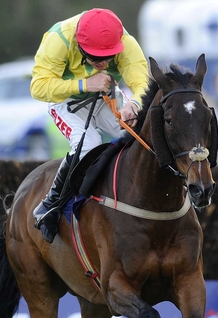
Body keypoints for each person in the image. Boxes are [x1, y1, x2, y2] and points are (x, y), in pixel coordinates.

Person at [30, 8, 149, 243]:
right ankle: (49, 205)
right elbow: (38, 88)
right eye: (96, 58)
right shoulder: (59, 39)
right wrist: (85, 84)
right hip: (64, 99)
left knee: (137, 131)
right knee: (89, 143)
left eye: (108, 57)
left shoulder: (126, 41)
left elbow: (142, 82)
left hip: (105, 91)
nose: (104, 64)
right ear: (80, 46)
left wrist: (134, 105)